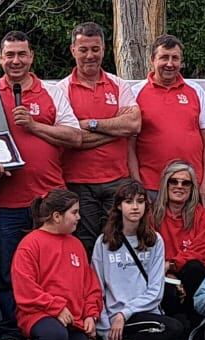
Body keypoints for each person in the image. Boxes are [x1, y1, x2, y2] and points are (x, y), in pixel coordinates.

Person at [0, 31, 82, 340]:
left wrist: (35, 126)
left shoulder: (53, 92)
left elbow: (75, 137)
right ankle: (12, 332)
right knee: (7, 271)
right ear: (0, 58)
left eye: (22, 54)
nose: (16, 60)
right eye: (9, 54)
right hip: (6, 199)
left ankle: (56, 325)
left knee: (55, 271)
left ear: (32, 57)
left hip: (49, 201)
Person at [51, 22, 142, 251]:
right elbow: (73, 139)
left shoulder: (118, 84)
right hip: (79, 183)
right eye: (83, 50)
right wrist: (115, 131)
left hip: (117, 181)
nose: (90, 55)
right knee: (85, 246)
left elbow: (134, 123)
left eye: (95, 49)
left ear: (104, 49)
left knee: (118, 243)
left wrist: (91, 124)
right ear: (73, 50)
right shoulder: (61, 90)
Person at [92, 179, 187, 340]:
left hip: (143, 313)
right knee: (172, 330)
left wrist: (125, 314)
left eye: (140, 201)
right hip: (114, 316)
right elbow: (97, 289)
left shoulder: (154, 240)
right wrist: (105, 331)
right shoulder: (103, 243)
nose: (135, 207)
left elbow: (155, 292)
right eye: (129, 202)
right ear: (119, 206)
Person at [11, 189, 102, 340]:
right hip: (40, 314)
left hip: (73, 320)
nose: (79, 217)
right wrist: (56, 307)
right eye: (74, 212)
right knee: (55, 338)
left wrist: (91, 314)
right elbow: (25, 289)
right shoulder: (30, 244)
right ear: (57, 216)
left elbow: (90, 285)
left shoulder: (76, 244)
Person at [128, 34, 205, 194]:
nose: (170, 64)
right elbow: (129, 145)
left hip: (191, 185)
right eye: (164, 57)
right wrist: (137, 184)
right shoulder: (135, 94)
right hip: (151, 187)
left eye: (175, 58)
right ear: (152, 60)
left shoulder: (196, 91)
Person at [154, 160, 205, 328]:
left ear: (192, 188)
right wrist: (169, 274)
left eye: (186, 182)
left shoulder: (200, 214)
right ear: (165, 184)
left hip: (187, 274)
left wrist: (173, 264)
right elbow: (148, 252)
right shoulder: (152, 214)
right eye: (174, 181)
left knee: (195, 268)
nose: (179, 186)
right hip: (162, 275)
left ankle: (194, 323)